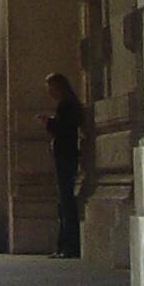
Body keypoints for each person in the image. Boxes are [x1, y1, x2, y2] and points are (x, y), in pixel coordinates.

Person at [43, 72, 84, 259]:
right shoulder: (69, 104)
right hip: (67, 155)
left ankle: (68, 246)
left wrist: (49, 123)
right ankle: (64, 246)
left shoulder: (65, 105)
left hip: (65, 156)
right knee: (64, 201)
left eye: (50, 87)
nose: (48, 91)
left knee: (65, 201)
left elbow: (63, 130)